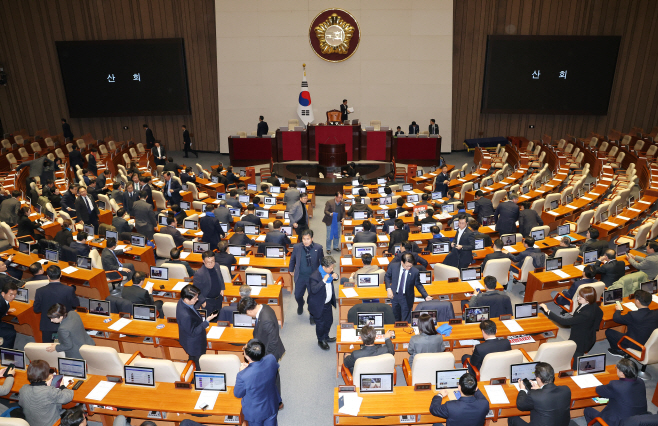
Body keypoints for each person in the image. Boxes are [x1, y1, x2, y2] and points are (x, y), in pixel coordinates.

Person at [540, 286, 603, 368]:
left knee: (575, 362)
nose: (578, 298)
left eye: (581, 297)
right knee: (569, 350)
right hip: (584, 334)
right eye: (578, 295)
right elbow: (600, 313)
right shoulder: (592, 304)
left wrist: (548, 311)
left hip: (581, 340)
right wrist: (593, 328)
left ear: (588, 299)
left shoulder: (585, 314)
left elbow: (564, 321)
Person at [238, 298, 285, 402]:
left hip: (270, 353)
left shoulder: (266, 319)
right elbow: (260, 334)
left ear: (249, 311)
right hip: (264, 346)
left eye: (247, 314)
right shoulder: (263, 307)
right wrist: (251, 345)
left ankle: (277, 401)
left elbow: (272, 342)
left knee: (272, 377)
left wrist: (264, 360)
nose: (248, 316)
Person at [584, 358, 647, 426]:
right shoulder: (641, 382)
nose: (616, 369)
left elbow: (599, 390)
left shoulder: (616, 386)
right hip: (637, 420)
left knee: (587, 410)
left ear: (622, 374)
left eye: (617, 368)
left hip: (617, 422)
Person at [234, 339, 281, 425]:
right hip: (271, 405)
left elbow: (238, 394)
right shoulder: (271, 359)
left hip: (255, 413)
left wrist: (243, 371)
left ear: (247, 356)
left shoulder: (243, 375)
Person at [508, 362, 571, 426]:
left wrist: (522, 389)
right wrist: (541, 389)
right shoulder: (566, 390)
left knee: (512, 418)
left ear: (538, 379)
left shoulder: (534, 395)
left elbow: (520, 405)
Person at [19, 359, 74, 426]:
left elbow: (22, 403)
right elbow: (68, 396)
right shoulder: (49, 391)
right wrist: (62, 386)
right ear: (46, 374)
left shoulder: (23, 389)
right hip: (53, 424)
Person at [176, 284, 218, 369]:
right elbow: (193, 332)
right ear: (186, 299)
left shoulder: (181, 301)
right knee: (199, 363)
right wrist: (207, 321)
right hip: (194, 344)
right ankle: (197, 379)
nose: (197, 299)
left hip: (188, 339)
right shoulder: (185, 315)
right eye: (195, 298)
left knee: (192, 359)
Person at [606, 289, 658, 356]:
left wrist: (618, 310)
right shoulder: (656, 314)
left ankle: (619, 351)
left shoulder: (633, 315)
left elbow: (616, 319)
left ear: (637, 301)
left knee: (608, 332)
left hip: (634, 344)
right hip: (650, 343)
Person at [289, 229, 324, 321]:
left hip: (312, 278)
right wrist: (291, 269)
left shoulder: (318, 247)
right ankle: (301, 304)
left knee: (312, 298)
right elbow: (292, 259)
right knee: (297, 296)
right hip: (300, 276)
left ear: (312, 238)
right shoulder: (297, 247)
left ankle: (312, 314)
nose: (305, 241)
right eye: (304, 239)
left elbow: (322, 262)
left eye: (308, 239)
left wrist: (322, 274)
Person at [385, 253, 432, 322]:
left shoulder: (415, 271)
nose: (409, 268)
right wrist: (389, 289)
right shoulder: (393, 266)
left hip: (406, 298)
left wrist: (425, 295)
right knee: (396, 317)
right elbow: (387, 277)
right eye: (407, 266)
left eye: (410, 266)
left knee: (405, 320)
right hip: (394, 296)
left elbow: (418, 284)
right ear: (402, 262)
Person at [308, 256, 339, 350]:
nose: (332, 269)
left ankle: (326, 336)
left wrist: (336, 276)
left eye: (333, 267)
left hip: (327, 303)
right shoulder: (314, 276)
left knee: (329, 321)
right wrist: (323, 281)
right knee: (320, 324)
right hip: (318, 305)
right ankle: (321, 340)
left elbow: (334, 276)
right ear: (324, 267)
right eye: (330, 268)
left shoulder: (329, 272)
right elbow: (313, 290)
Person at [0, 281, 18, 348]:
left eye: (15, 294)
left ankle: (5, 347)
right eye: (11, 294)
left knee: (11, 327)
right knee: (11, 333)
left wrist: (6, 310)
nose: (13, 297)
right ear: (3, 293)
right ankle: (6, 354)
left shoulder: (2, 299)